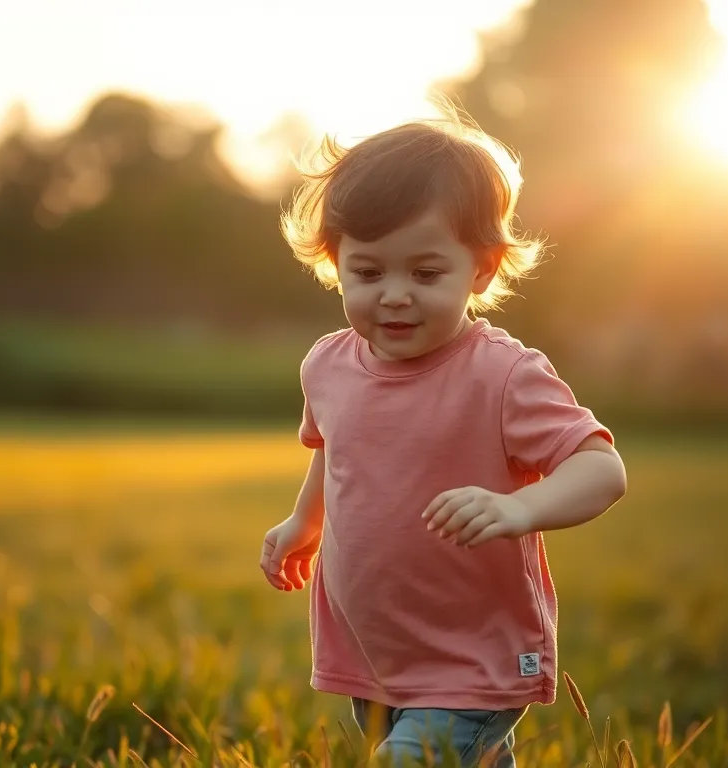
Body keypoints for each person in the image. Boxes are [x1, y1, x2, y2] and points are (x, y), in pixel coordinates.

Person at [259, 108, 628, 767]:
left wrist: (520, 508)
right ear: (335, 264)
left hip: (475, 651)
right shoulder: (328, 365)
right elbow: (333, 454)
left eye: (426, 274)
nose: (395, 295)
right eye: (368, 273)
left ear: (481, 270)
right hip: (377, 649)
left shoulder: (503, 375)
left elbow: (602, 468)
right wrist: (302, 523)